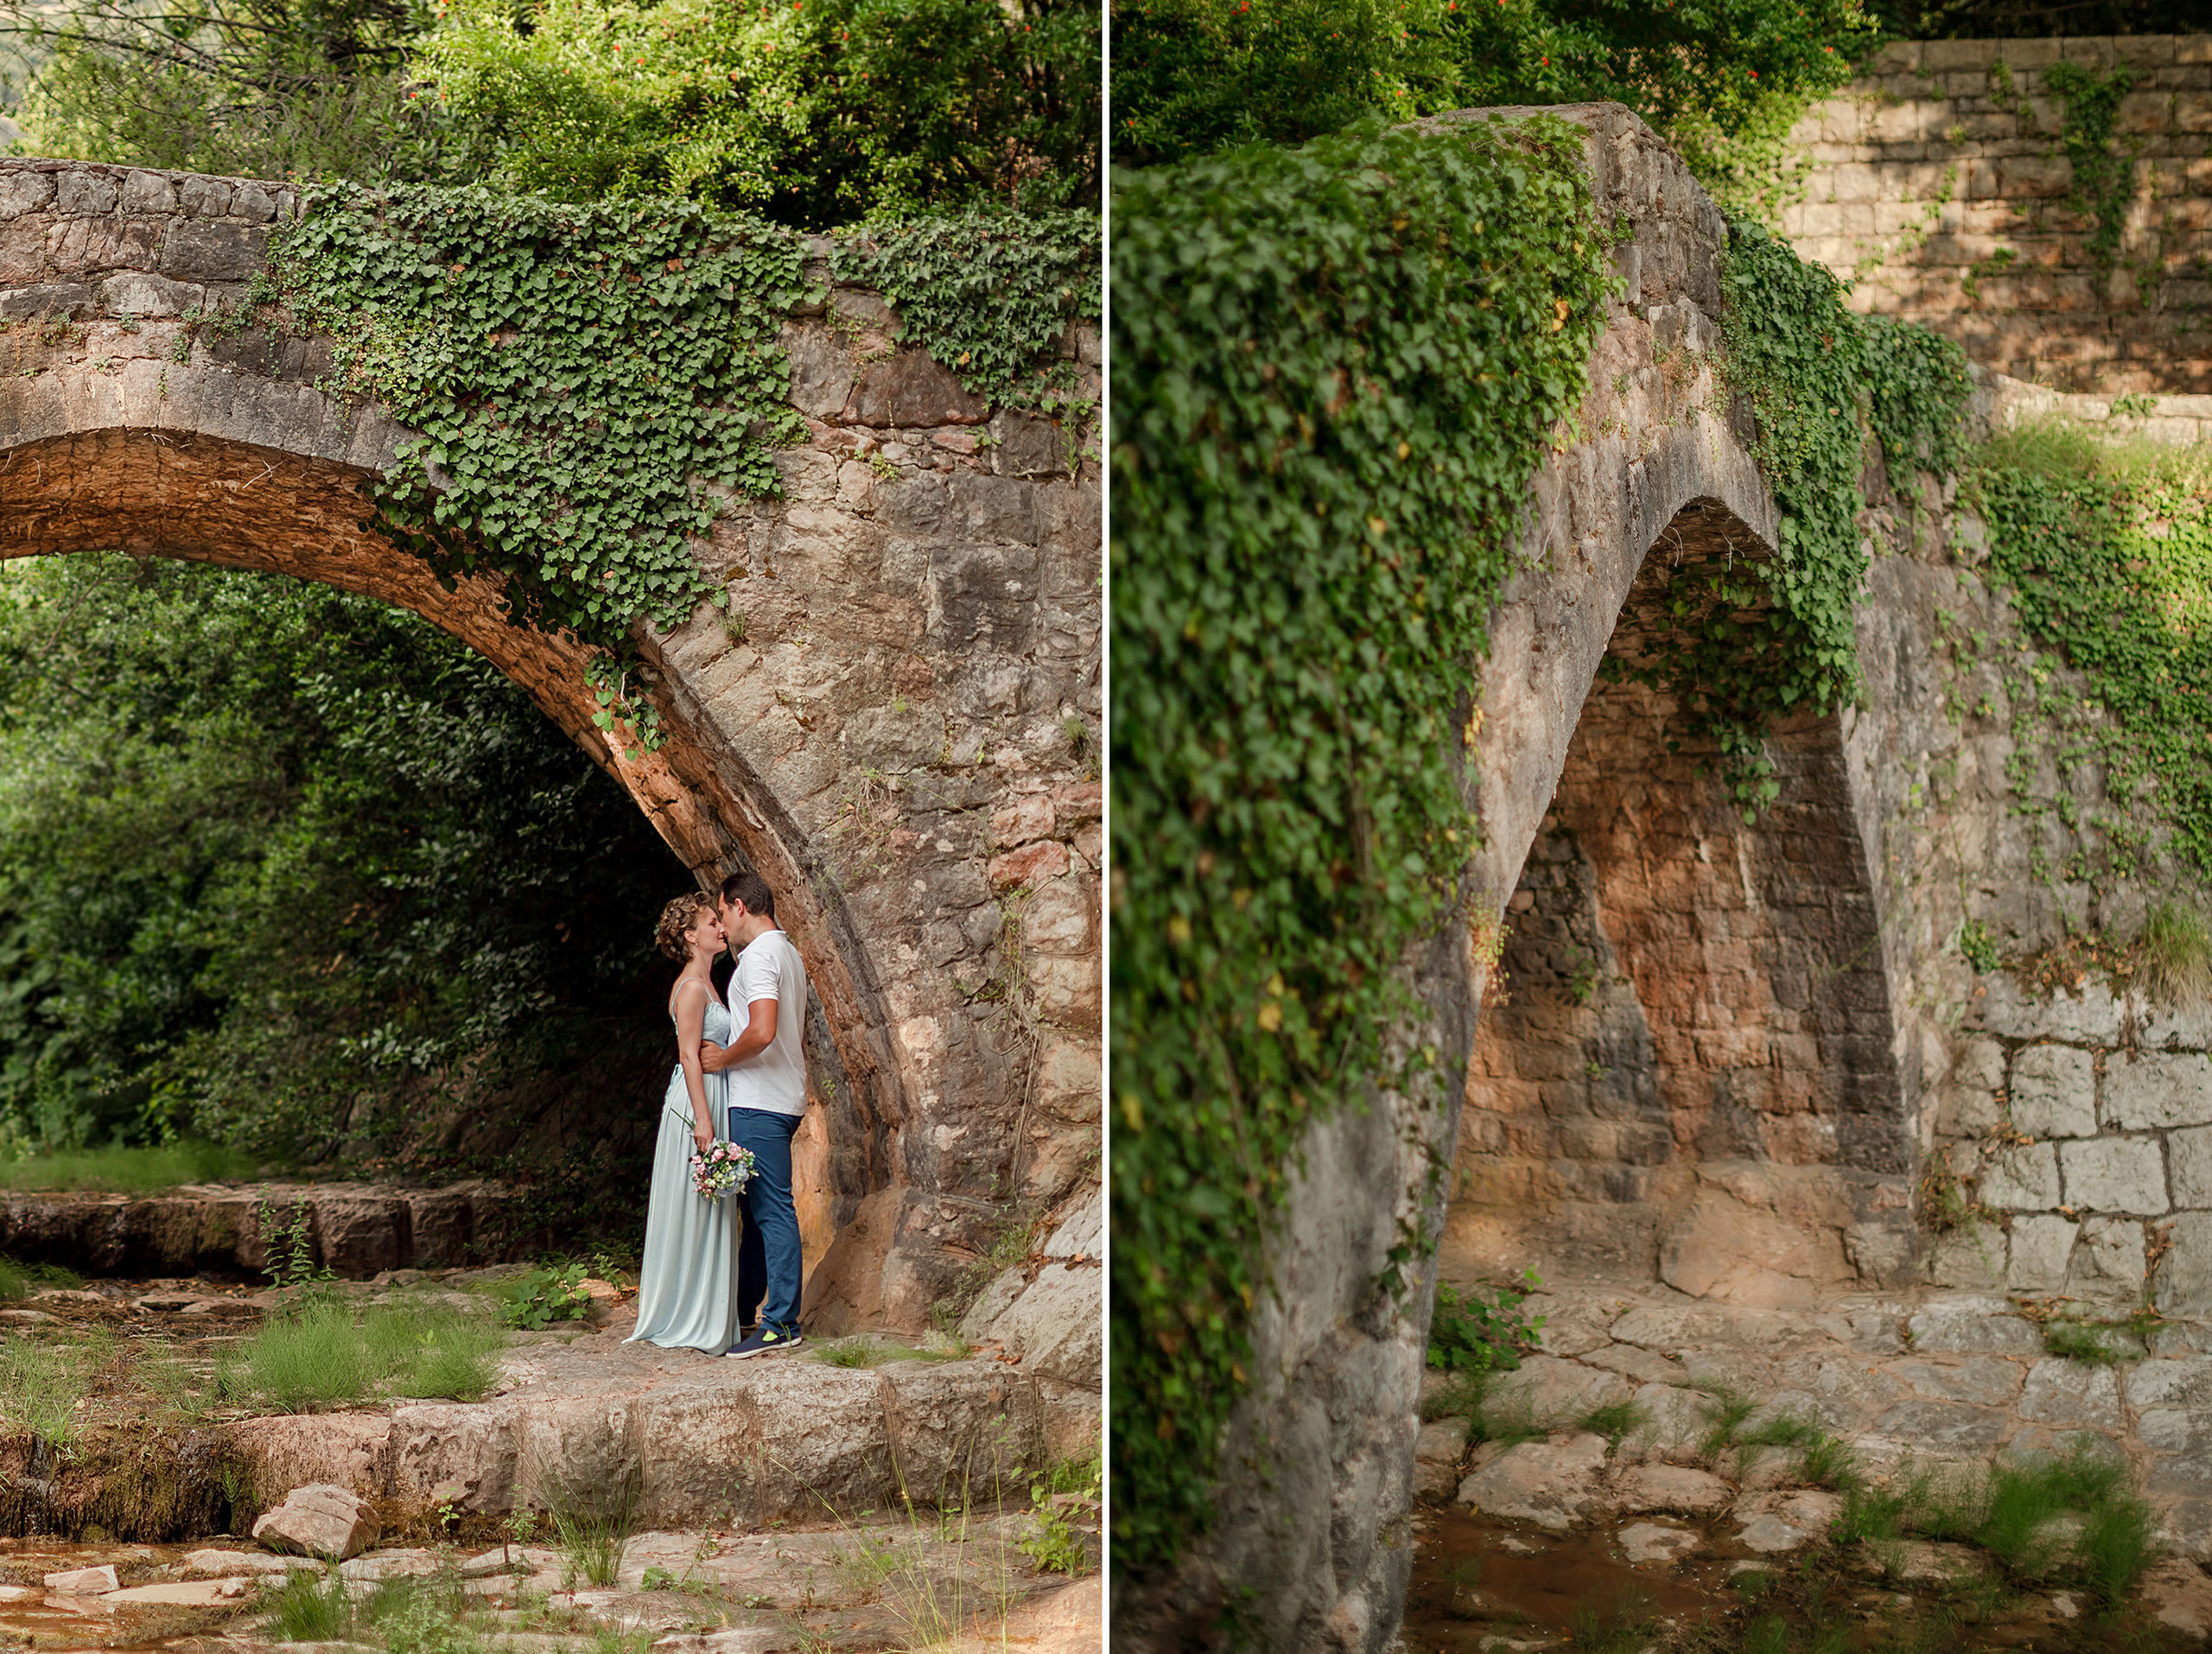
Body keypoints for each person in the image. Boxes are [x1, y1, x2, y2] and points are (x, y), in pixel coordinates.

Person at [624, 892, 742, 1352]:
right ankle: (685, 1315)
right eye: (712, 923)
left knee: (712, 1207)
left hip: (711, 1094)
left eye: (720, 921)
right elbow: (689, 1056)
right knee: (696, 1207)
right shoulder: (692, 988)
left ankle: (708, 1310)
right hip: (697, 1103)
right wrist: (705, 1121)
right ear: (692, 936)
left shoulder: (710, 982)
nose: (720, 928)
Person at [701, 870, 810, 1358]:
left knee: (771, 1210)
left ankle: (783, 1323)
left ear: (740, 906)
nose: (722, 926)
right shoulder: (787, 952)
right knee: (755, 1211)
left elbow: (763, 1030)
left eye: (722, 913)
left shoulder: (762, 956)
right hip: (774, 1096)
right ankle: (746, 1314)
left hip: (761, 1100)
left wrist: (721, 1058)